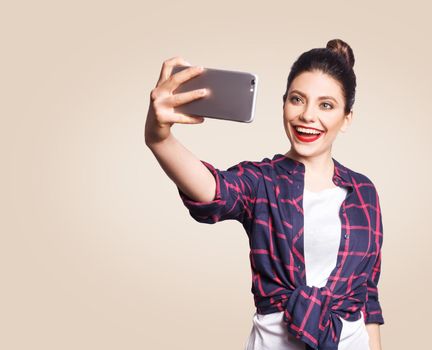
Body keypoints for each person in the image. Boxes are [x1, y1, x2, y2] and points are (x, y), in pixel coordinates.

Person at [144, 39, 385, 350]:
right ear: (284, 103)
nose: (308, 115)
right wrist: (158, 137)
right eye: (298, 100)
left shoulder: (364, 192)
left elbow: (367, 296)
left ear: (346, 118)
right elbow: (211, 191)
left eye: (326, 105)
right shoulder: (262, 181)